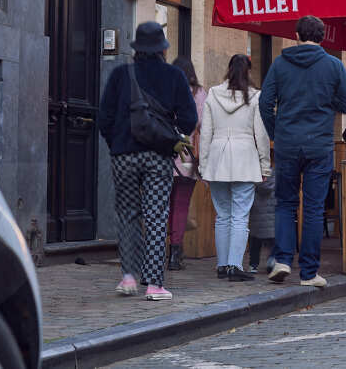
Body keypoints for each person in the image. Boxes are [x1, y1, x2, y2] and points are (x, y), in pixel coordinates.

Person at [97, 22, 198, 301]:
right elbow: (189, 117)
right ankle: (154, 284)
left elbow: (104, 117)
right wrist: (173, 137)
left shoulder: (120, 74)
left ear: (137, 49)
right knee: (156, 215)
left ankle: (128, 277)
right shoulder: (174, 76)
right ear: (163, 49)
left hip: (124, 156)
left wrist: (117, 143)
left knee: (128, 214)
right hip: (158, 156)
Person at [260, 15, 346, 287]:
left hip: (287, 143)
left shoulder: (280, 64)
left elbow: (265, 103)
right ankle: (308, 273)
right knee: (314, 208)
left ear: (296, 35)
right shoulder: (333, 65)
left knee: (285, 203)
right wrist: (328, 99)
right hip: (319, 144)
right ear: (322, 37)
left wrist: (275, 133)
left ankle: (281, 260)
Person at [199, 54, 271, 282]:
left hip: (218, 157)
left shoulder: (212, 94)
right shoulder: (256, 97)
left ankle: (222, 265)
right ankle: (234, 265)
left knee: (222, 216)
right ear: (248, 72)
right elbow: (260, 134)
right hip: (245, 157)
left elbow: (206, 133)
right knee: (240, 216)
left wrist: (203, 164)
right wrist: (265, 165)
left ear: (228, 69)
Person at [168, 56, 207, 271]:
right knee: (181, 206)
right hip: (186, 156)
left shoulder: (164, 88)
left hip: (164, 154)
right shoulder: (198, 93)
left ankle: (157, 252)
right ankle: (175, 254)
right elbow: (202, 124)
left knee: (161, 205)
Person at [248, 157, 276, 274]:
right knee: (274, 240)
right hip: (272, 214)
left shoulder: (253, 173)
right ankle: (272, 260)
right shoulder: (275, 173)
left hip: (256, 213)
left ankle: (253, 265)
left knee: (255, 241)